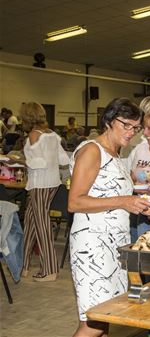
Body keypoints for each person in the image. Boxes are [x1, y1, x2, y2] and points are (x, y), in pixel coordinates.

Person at [68, 98, 150, 337]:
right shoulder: (91, 150)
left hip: (114, 245)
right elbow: (75, 202)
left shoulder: (114, 154)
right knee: (93, 322)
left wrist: (139, 205)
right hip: (92, 246)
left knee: (105, 317)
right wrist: (123, 201)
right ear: (109, 120)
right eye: (126, 125)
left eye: (135, 128)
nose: (131, 132)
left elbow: (114, 197)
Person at [20, 102, 70, 282]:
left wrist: (20, 160)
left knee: (42, 226)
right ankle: (22, 265)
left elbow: (39, 163)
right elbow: (64, 159)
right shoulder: (53, 134)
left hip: (39, 185)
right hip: (53, 183)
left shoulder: (33, 135)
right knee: (30, 223)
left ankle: (50, 269)